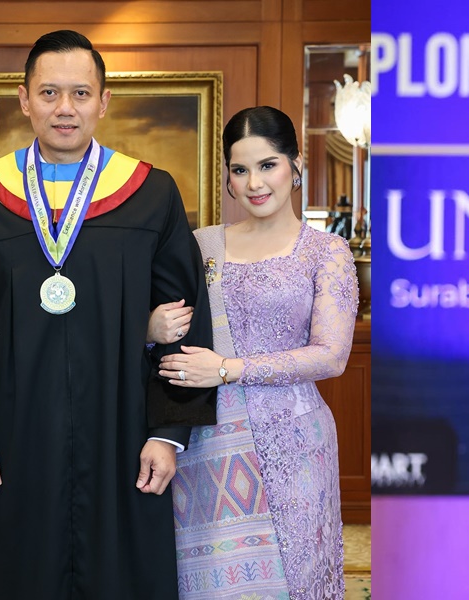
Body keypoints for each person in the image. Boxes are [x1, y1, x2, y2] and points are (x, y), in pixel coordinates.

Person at [0, 30, 217, 599]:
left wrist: (170, 433)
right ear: (24, 100)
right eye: (49, 92)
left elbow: (184, 318)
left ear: (104, 102)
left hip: (123, 429)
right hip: (15, 427)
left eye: (80, 93)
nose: (64, 108)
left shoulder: (151, 193)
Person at [158, 106, 355, 598]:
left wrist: (227, 369)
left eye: (267, 165)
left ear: (296, 164)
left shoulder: (325, 252)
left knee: (295, 576)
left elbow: (331, 356)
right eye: (240, 170)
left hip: (294, 440)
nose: (254, 183)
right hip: (206, 440)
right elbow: (155, 331)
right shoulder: (201, 245)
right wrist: (151, 323)